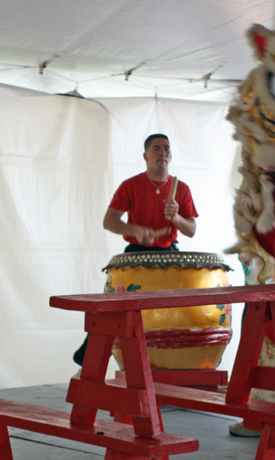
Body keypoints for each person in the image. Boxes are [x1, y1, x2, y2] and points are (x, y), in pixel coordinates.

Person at [73, 133, 198, 367]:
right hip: (135, 252)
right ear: (145, 156)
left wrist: (177, 217)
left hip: (169, 254)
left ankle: (174, 362)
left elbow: (191, 230)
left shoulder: (181, 188)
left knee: (178, 312)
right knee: (113, 308)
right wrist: (134, 228)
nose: (162, 153)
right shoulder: (131, 185)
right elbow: (109, 221)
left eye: (166, 149)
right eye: (156, 148)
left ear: (170, 155)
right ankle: (90, 358)